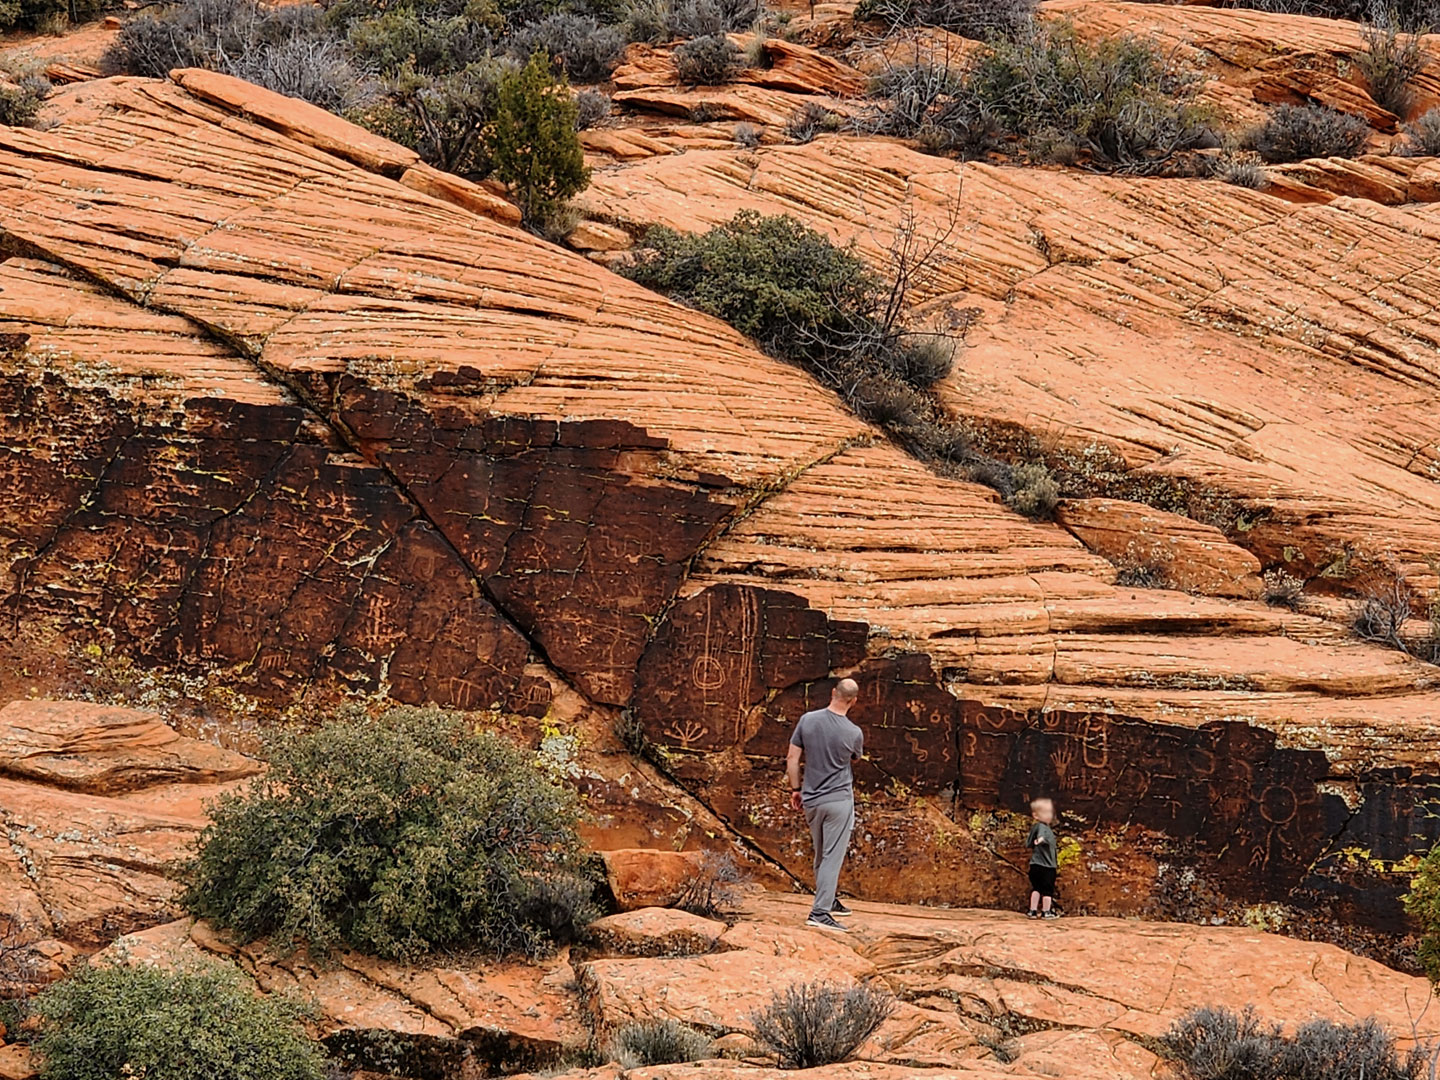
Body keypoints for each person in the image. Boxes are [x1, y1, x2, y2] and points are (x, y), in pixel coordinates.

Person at [786, 678, 864, 932]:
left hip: (811, 799)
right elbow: (855, 757)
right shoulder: (853, 732)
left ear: (833, 693)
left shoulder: (807, 720)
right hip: (838, 800)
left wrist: (796, 789)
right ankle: (820, 913)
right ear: (853, 701)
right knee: (831, 856)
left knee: (821, 854)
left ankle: (827, 899)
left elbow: (792, 757)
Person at [1026, 797, 1060, 920]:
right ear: (1035, 815)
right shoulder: (1043, 827)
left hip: (1035, 864)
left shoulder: (1036, 827)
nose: (1049, 815)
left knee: (1036, 888)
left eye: (1050, 812)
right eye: (1045, 812)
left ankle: (1032, 910)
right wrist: (1040, 840)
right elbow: (1042, 836)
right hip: (1047, 866)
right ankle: (1046, 911)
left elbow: (1029, 842)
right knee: (1047, 890)